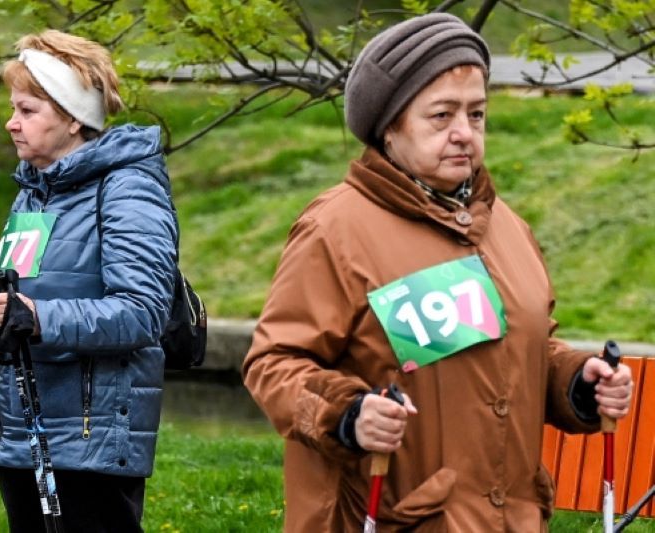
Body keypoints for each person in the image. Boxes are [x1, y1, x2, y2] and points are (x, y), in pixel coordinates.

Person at [242, 13, 634, 532]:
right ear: (390, 127)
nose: (463, 134)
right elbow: (274, 364)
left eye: (477, 114)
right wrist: (349, 415)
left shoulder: (508, 227)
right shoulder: (335, 229)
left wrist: (578, 383)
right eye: (442, 115)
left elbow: (524, 352)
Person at [0, 29, 177, 532]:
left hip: (89, 438)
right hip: (22, 431)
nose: (11, 123)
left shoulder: (128, 190)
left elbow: (143, 311)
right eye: (12, 109)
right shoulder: (36, 193)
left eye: (27, 110)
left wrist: (40, 317)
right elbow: (8, 315)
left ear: (73, 117)